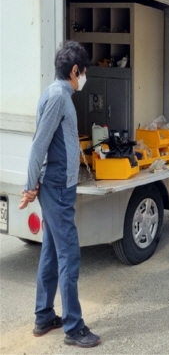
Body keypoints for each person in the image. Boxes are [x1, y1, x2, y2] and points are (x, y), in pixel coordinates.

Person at [19, 41, 100, 347]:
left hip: (55, 185)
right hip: (56, 187)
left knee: (53, 252)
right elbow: (38, 145)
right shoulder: (57, 96)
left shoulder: (59, 95)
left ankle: (43, 316)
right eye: (84, 72)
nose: (85, 78)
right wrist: (30, 185)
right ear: (74, 70)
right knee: (70, 255)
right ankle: (74, 327)